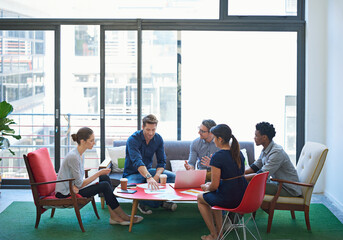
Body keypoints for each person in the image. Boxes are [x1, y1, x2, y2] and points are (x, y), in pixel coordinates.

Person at [55, 127, 143, 226]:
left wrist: (97, 176)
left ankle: (114, 217)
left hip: (73, 187)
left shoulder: (80, 154)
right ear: (82, 141)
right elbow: (79, 183)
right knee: (104, 185)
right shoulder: (74, 157)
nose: (94, 143)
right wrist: (98, 173)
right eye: (91, 140)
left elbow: (78, 181)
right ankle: (122, 216)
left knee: (104, 178)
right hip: (66, 192)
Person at [197, 124, 248, 240]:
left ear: (220, 139)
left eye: (214, 138)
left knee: (200, 198)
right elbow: (235, 176)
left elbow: (214, 186)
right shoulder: (239, 153)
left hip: (229, 199)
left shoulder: (217, 156)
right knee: (215, 198)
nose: (214, 140)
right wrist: (211, 186)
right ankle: (220, 234)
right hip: (244, 198)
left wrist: (206, 187)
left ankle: (214, 234)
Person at [122, 114, 176, 215]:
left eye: (153, 130)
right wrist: (149, 177)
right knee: (131, 187)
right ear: (142, 127)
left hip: (149, 171)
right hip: (132, 173)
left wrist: (156, 176)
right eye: (148, 130)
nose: (151, 133)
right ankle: (156, 203)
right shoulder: (133, 139)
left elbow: (161, 161)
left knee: (173, 177)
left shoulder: (158, 139)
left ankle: (152, 201)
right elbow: (137, 161)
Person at [245, 122, 302, 197]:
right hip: (278, 183)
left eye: (256, 135)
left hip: (288, 189)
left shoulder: (277, 152)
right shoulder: (266, 149)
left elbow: (260, 175)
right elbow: (255, 166)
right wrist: (239, 174)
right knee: (245, 182)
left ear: (264, 137)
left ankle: (245, 208)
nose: (254, 138)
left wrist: (240, 178)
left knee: (248, 184)